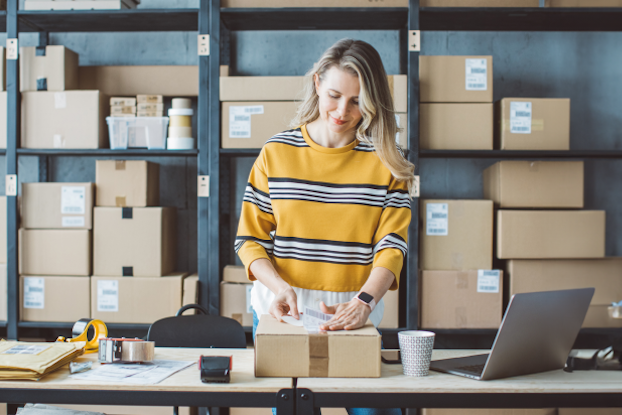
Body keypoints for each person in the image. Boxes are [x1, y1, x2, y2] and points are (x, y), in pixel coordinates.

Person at [235, 38, 416, 415]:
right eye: (334, 95)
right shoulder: (276, 153)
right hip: (283, 312)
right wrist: (279, 286)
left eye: (357, 101)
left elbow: (393, 244)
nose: (342, 111)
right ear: (317, 83)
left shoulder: (387, 161)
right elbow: (249, 239)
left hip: (355, 311)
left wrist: (365, 301)